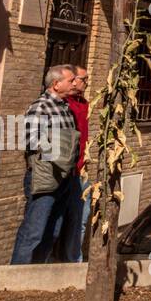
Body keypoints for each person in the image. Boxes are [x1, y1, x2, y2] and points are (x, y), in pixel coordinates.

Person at [11, 65, 79, 265]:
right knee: (34, 230)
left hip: (63, 177)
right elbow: (31, 140)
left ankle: (38, 272)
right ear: (56, 84)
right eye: (70, 80)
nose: (74, 83)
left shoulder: (65, 107)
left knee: (53, 228)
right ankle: (17, 276)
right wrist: (59, 152)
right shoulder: (40, 107)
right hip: (45, 176)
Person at [54, 65, 90, 263]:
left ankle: (73, 262)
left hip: (81, 171)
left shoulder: (84, 103)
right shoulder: (62, 105)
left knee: (79, 221)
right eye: (83, 79)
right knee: (57, 221)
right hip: (64, 172)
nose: (85, 83)